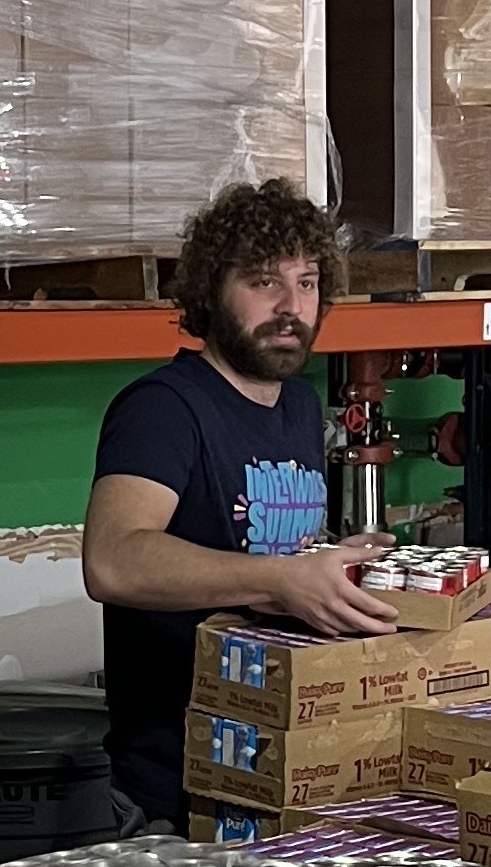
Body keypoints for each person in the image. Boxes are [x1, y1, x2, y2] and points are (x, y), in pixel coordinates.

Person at [80, 178, 398, 828]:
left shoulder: (301, 407)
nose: (291, 305)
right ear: (210, 292)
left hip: (278, 775)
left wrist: (333, 570)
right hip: (176, 794)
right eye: (263, 282)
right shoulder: (164, 409)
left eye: (307, 283)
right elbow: (112, 560)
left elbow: (272, 551)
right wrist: (278, 581)